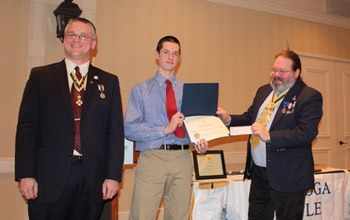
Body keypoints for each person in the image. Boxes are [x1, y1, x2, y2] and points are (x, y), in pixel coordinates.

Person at [15, 17, 124, 220]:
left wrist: (113, 176)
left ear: (93, 43)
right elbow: (27, 128)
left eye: (83, 36)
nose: (77, 39)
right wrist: (26, 173)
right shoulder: (40, 77)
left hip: (92, 179)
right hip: (48, 177)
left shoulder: (109, 82)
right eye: (72, 35)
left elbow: (115, 132)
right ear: (64, 40)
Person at [217, 50, 323, 220]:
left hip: (288, 176)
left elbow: (307, 133)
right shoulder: (264, 91)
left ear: (296, 73)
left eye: (282, 71)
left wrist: (270, 136)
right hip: (260, 173)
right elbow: (249, 118)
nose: (276, 75)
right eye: (274, 70)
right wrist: (229, 119)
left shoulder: (308, 96)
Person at [124, 35, 208, 220]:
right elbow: (129, 129)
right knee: (141, 215)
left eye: (175, 53)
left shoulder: (190, 90)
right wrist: (165, 129)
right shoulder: (140, 89)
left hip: (183, 158)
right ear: (157, 54)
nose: (171, 57)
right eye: (166, 52)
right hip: (152, 158)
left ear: (179, 58)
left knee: (179, 216)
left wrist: (200, 144)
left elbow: (195, 128)